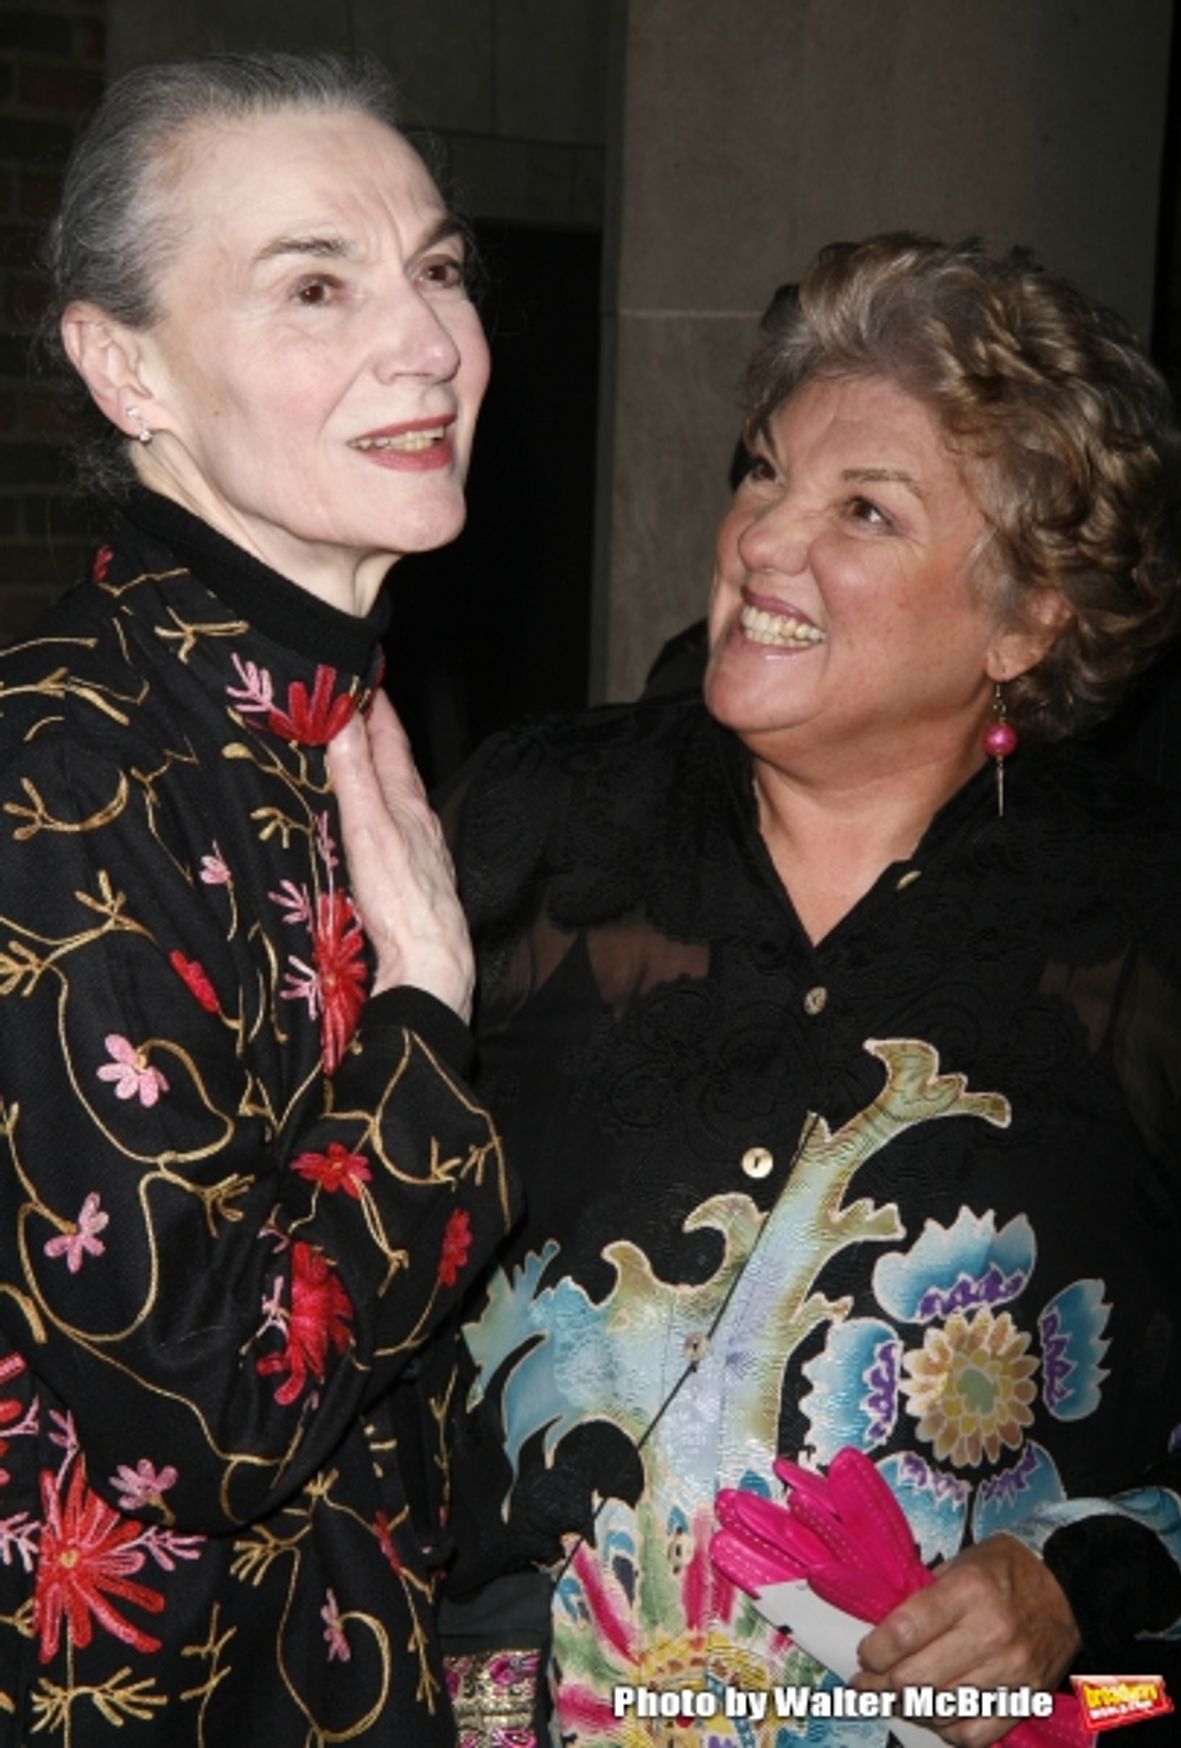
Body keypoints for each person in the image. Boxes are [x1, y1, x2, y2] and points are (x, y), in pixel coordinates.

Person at [441, 234, 1181, 1747]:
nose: (762, 536)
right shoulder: (537, 828)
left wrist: (1081, 1584)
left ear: (1026, 619)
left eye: (862, 508)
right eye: (765, 473)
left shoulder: (1152, 925)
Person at [0, 51, 512, 1747]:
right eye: (317, 284)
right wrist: (430, 1010)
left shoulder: (333, 725)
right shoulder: (56, 767)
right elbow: (201, 1413)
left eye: (439, 268)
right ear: (122, 366)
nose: (427, 341)